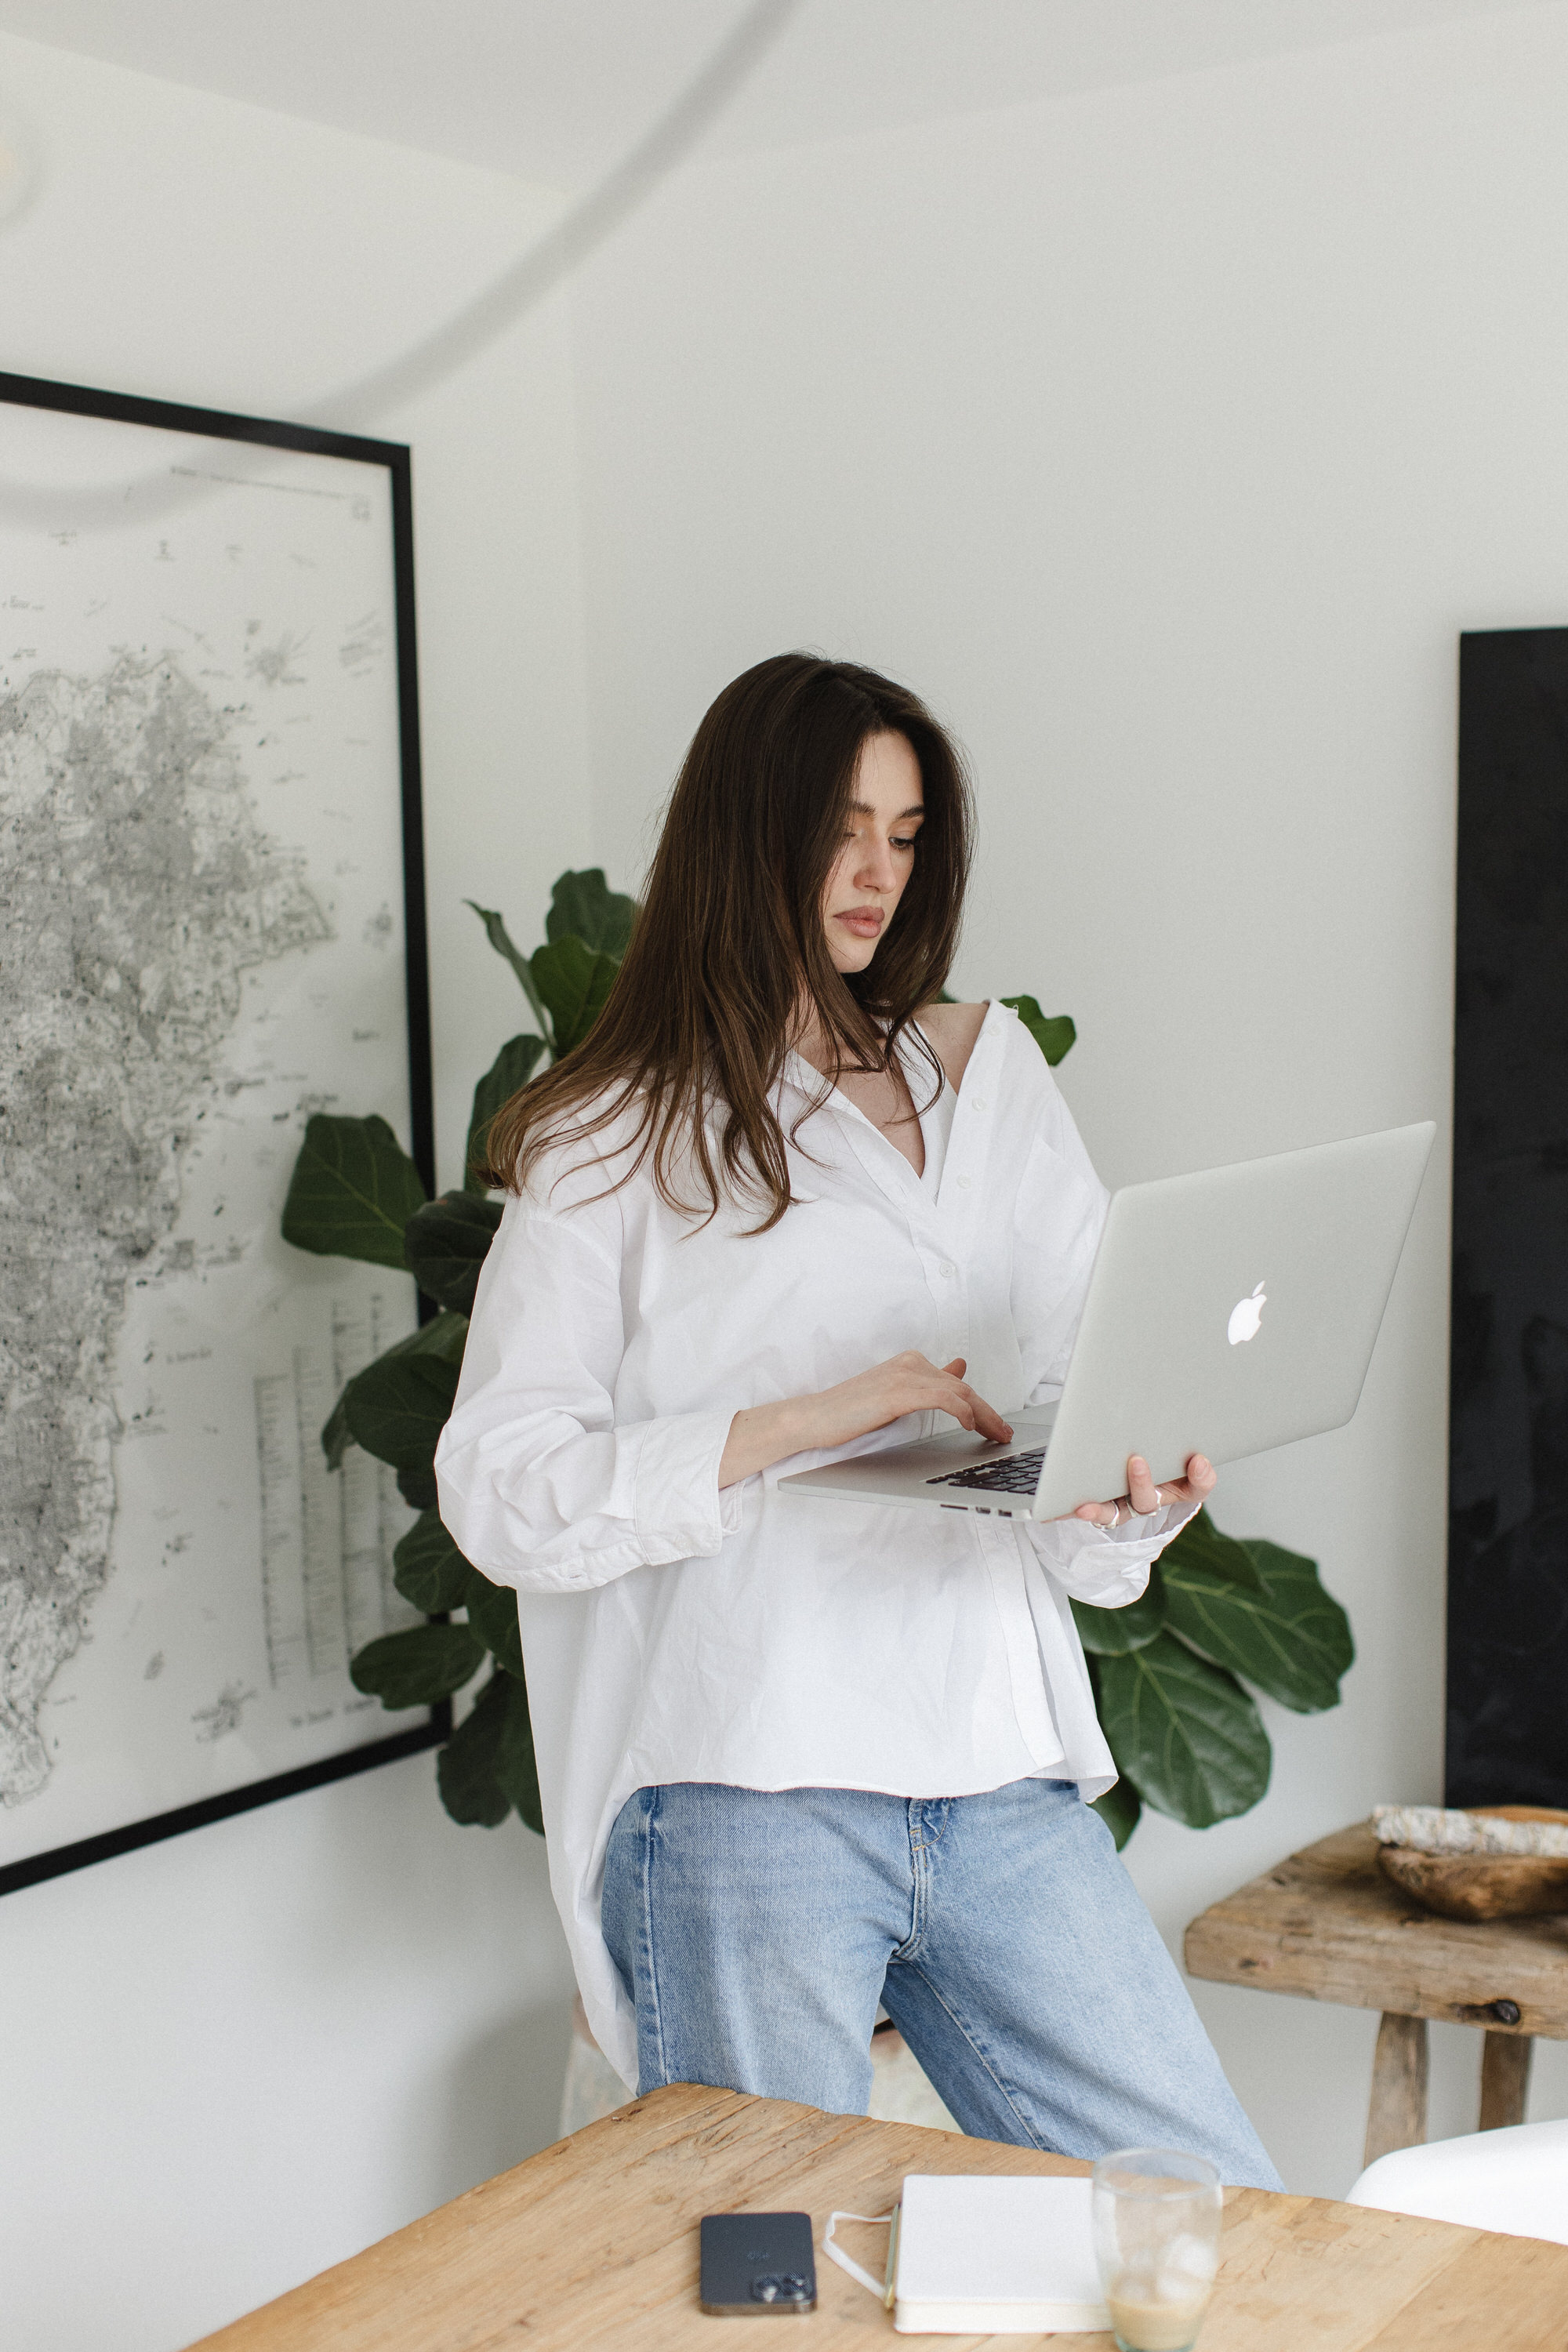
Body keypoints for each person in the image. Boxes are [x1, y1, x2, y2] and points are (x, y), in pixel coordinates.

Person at [435, 652, 1280, 2186]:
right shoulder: (609, 1128)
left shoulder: (992, 1074)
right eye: (841, 826)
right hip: (747, 1784)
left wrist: (1126, 1496)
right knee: (770, 2278)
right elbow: (502, 1491)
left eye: (903, 832)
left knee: (1203, 2214)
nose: (876, 871)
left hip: (995, 1759)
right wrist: (802, 1419)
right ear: (745, 834)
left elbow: (1091, 1402)